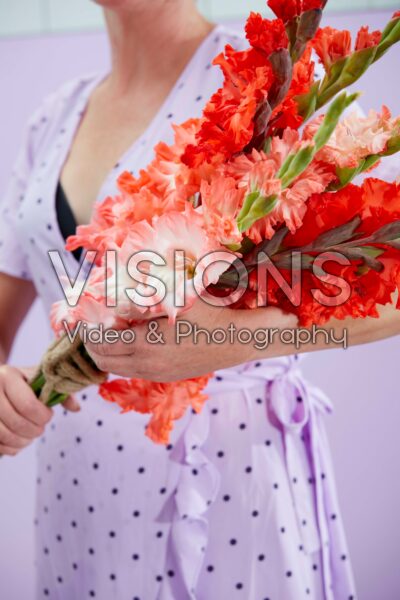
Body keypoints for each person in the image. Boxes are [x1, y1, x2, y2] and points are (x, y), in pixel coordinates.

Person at [0, 1, 399, 599]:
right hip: (78, 482)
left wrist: (230, 338)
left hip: (232, 478)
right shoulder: (54, 117)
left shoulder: (272, 77)